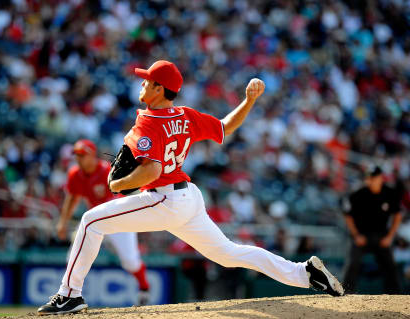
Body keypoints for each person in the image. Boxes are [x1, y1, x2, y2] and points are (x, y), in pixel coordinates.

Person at [38, 60, 344, 315]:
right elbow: (225, 127)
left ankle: (69, 294)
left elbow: (152, 170)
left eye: (147, 81)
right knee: (228, 253)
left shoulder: (148, 123)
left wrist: (119, 183)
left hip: (165, 198)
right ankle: (305, 273)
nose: (142, 84)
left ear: (159, 89)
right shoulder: (185, 115)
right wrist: (248, 101)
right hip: (188, 199)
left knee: (90, 221)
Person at [55, 139, 150, 305]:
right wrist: (63, 222)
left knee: (130, 262)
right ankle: (68, 295)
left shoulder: (108, 170)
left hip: (119, 219)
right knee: (73, 256)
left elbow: (115, 200)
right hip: (95, 220)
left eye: (82, 155)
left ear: (92, 155)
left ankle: (144, 288)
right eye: (77, 155)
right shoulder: (75, 173)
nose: (78, 159)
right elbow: (72, 198)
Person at [342, 166, 403, 294]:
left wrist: (390, 237)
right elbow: (348, 215)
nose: (371, 181)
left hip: (382, 236)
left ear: (381, 178)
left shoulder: (389, 193)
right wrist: (356, 235)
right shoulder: (358, 194)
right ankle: (347, 292)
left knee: (390, 265)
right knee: (353, 263)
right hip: (361, 236)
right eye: (369, 178)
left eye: (374, 178)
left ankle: (395, 295)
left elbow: (397, 215)